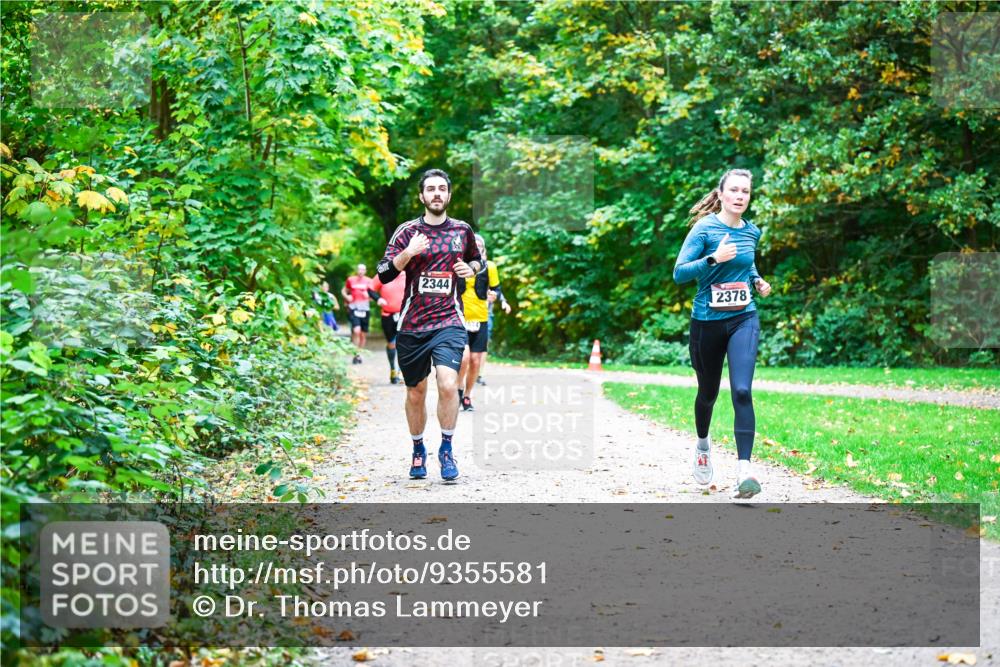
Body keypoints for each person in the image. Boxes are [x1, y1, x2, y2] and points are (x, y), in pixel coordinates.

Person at [375, 169, 483, 481]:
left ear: (449, 195)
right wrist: (408, 254)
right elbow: (383, 273)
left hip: (449, 320)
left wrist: (469, 268)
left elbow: (479, 261)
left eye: (442, 189)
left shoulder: (462, 231)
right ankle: (418, 449)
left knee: (448, 384)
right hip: (412, 324)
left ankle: (446, 449)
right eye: (430, 189)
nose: (436, 194)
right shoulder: (407, 232)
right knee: (416, 392)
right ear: (422, 196)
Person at [672, 168, 772, 499]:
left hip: (744, 317)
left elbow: (747, 265)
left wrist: (757, 281)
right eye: (734, 190)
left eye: (746, 191)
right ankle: (703, 445)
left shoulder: (752, 231)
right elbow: (679, 273)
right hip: (707, 322)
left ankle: (745, 471)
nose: (740, 196)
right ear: (722, 193)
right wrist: (713, 258)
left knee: (742, 390)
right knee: (708, 393)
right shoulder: (705, 229)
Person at [457, 235, 509, 409]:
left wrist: (495, 297)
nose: (477, 247)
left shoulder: (490, 267)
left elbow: (496, 289)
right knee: (463, 358)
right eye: (474, 244)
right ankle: (458, 389)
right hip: (460, 316)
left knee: (475, 360)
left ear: (483, 248)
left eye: (480, 245)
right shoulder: (458, 264)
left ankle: (467, 396)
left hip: (481, 317)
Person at [370, 271, 406, 384]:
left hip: (404, 314)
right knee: (391, 343)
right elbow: (370, 288)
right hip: (387, 315)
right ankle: (393, 370)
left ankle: (402, 372)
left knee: (403, 343)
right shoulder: (384, 273)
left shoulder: (408, 273)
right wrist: (378, 299)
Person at [343, 264, 373, 364]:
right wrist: (347, 297)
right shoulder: (351, 280)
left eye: (363, 270)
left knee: (363, 335)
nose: (360, 271)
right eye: (359, 269)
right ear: (357, 270)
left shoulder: (369, 281)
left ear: (365, 271)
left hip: (365, 309)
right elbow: (344, 291)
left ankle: (358, 354)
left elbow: (374, 296)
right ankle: (355, 353)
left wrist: (368, 296)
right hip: (354, 308)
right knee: (356, 331)